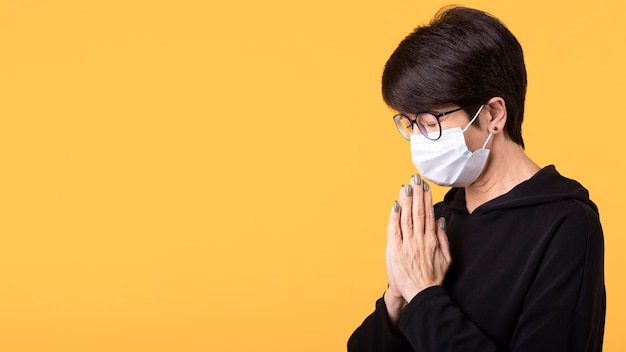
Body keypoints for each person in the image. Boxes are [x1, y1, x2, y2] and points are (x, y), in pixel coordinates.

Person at [347, 6, 605, 352]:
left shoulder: (567, 226)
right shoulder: (436, 220)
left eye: (429, 121)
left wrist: (424, 295)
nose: (419, 139)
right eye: (409, 124)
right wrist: (397, 296)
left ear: (493, 114)